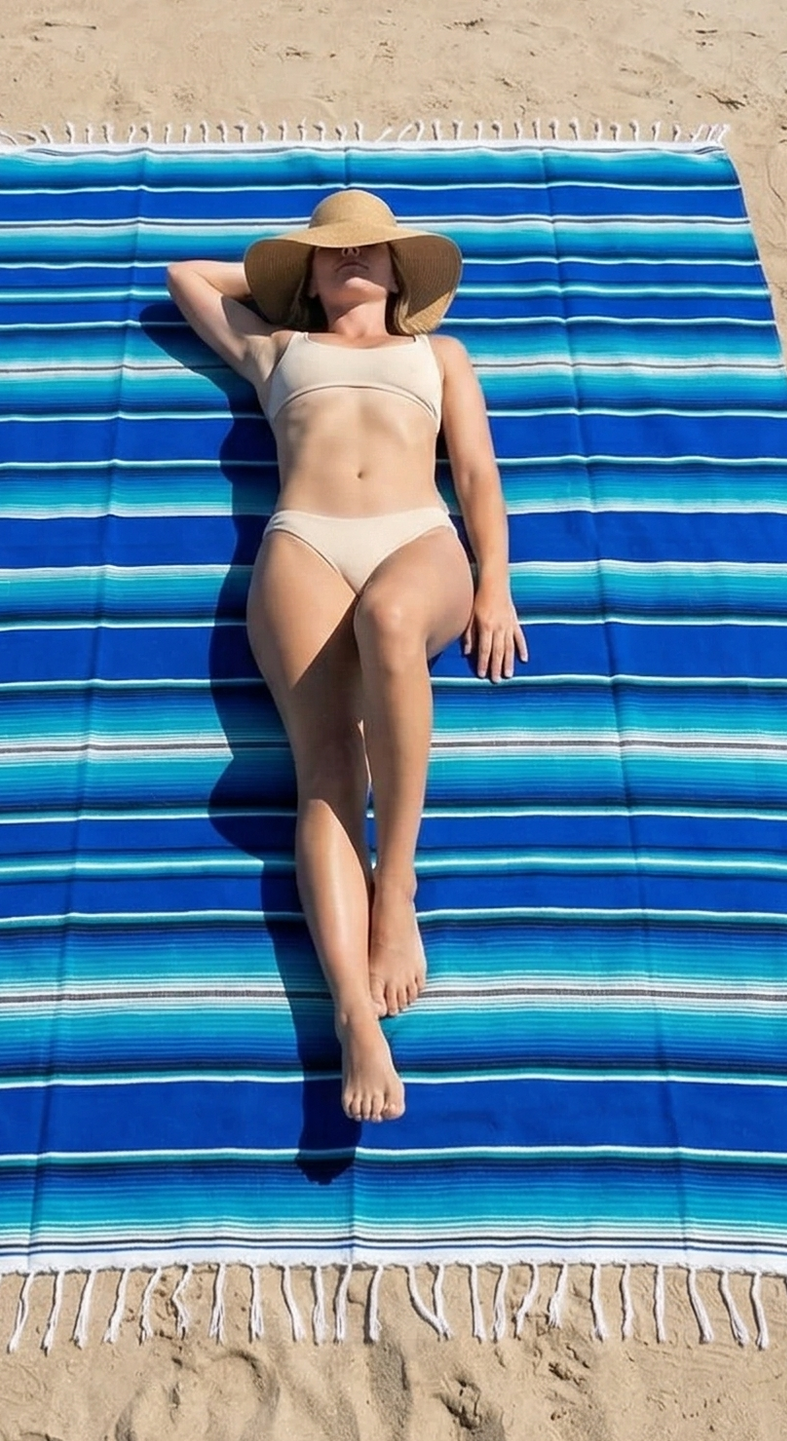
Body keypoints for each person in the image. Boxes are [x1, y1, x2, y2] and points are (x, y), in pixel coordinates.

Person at [167, 189, 526, 1124]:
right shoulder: (275, 349)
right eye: (333, 253)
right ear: (309, 276)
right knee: (326, 775)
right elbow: (184, 277)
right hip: (305, 543)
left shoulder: (438, 354)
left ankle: (395, 885)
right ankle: (354, 1017)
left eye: (371, 250)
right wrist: (287, 275)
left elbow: (477, 470)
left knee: (394, 620)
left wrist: (495, 583)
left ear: (403, 269)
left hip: (414, 535)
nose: (352, 260)